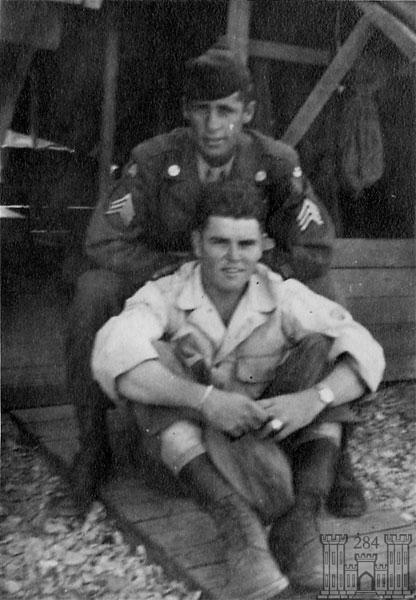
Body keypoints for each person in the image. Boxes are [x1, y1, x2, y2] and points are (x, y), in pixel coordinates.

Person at [65, 40, 350, 515]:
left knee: (328, 292)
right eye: (202, 110)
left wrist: (265, 272)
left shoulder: (276, 162)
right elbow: (103, 239)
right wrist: (163, 269)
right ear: (186, 111)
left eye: (226, 110)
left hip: (243, 282)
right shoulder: (154, 160)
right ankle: (92, 447)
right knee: (93, 290)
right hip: (169, 281)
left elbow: (315, 246)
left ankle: (338, 459)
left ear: (247, 113)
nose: (214, 125)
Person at [91, 181, 385, 598]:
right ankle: (237, 526)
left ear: (262, 245)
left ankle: (299, 521)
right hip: (183, 465)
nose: (234, 257)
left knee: (326, 348)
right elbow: (111, 354)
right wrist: (204, 401)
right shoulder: (165, 294)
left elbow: (366, 352)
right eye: (220, 243)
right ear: (197, 243)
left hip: (260, 452)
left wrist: (311, 399)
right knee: (149, 361)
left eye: (245, 244)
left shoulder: (281, 293)